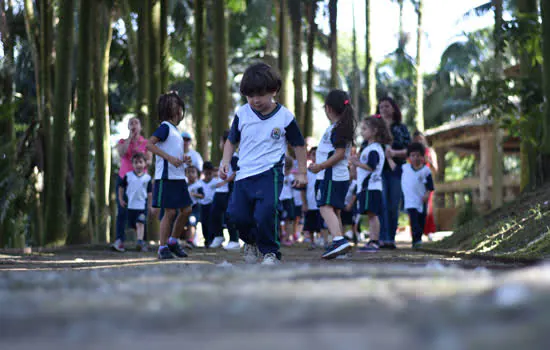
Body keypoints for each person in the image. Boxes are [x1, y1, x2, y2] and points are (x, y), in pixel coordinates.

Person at [221, 62, 307, 265]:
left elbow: (299, 144)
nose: (255, 100)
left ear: (273, 90)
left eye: (259, 95)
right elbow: (231, 140)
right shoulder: (242, 113)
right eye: (250, 96)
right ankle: (250, 241)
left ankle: (271, 252)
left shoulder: (285, 117)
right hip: (244, 173)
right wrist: (225, 161)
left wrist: (302, 172)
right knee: (236, 215)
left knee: (266, 211)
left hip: (270, 172)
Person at [309, 90, 356, 260]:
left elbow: (340, 153)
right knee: (334, 210)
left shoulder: (338, 129)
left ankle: (338, 240)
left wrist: (320, 166)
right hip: (334, 176)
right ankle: (339, 245)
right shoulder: (339, 128)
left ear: (328, 108)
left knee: (324, 206)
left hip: (331, 176)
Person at [146, 92, 192, 260]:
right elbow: (149, 144)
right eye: (175, 105)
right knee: (170, 212)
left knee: (187, 210)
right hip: (166, 177)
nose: (178, 109)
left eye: (179, 105)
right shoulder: (164, 127)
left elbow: (174, 153)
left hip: (179, 177)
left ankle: (173, 241)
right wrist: (170, 158)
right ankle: (162, 247)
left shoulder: (176, 131)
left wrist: (183, 159)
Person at [351, 115, 391, 253]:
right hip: (366, 187)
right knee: (370, 214)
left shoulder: (374, 148)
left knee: (373, 214)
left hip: (371, 187)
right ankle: (372, 241)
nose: (361, 131)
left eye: (364, 128)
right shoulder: (368, 148)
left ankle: (374, 241)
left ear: (374, 131)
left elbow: (371, 167)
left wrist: (357, 163)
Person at [378, 97, 411, 249]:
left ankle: (390, 238)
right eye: (381, 107)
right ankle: (381, 237)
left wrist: (393, 153)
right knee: (381, 204)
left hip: (397, 170)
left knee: (393, 204)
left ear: (393, 108)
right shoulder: (375, 128)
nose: (383, 109)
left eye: (386, 106)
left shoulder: (401, 128)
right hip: (377, 171)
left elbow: (410, 151)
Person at [115, 117, 152, 250]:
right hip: (125, 178)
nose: (134, 125)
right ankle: (119, 240)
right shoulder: (123, 141)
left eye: (136, 123)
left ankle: (141, 241)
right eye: (131, 123)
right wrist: (130, 139)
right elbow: (121, 153)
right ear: (128, 127)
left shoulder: (145, 143)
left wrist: (139, 160)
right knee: (122, 210)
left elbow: (149, 160)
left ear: (141, 127)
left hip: (141, 181)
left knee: (142, 213)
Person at [113, 152, 152, 252]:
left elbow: (150, 193)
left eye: (140, 162)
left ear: (145, 164)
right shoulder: (128, 176)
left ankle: (140, 241)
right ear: (132, 164)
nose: (138, 165)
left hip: (142, 206)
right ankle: (124, 241)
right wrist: (121, 199)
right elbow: (121, 188)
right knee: (132, 225)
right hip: (130, 206)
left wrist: (150, 205)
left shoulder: (147, 178)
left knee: (140, 222)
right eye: (136, 162)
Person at [209, 132, 240, 250]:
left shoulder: (234, 156)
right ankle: (218, 236)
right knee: (214, 214)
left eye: (222, 142)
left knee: (229, 215)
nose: (220, 144)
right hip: (220, 191)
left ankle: (234, 240)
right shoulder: (225, 157)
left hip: (228, 191)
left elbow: (237, 171)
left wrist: (225, 182)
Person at [400, 142, 434, 248]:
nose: (415, 158)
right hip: (410, 201)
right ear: (409, 157)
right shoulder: (404, 168)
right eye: (413, 155)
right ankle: (416, 241)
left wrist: (427, 195)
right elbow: (393, 169)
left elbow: (430, 186)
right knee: (413, 221)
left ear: (423, 157)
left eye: (418, 155)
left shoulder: (426, 170)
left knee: (421, 220)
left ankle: (418, 238)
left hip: (421, 200)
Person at [413, 131, 438, 240]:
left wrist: (429, 162)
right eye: (416, 140)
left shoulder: (430, 151)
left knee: (427, 207)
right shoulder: (412, 153)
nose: (419, 141)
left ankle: (429, 231)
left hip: (427, 182)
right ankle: (416, 232)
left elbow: (435, 169)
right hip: (415, 183)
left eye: (421, 139)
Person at [302, 147, 322, 250]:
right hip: (310, 202)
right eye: (313, 154)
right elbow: (303, 189)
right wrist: (304, 203)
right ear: (310, 156)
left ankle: (323, 240)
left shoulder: (323, 170)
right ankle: (312, 241)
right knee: (310, 224)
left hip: (320, 202)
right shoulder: (306, 172)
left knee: (322, 223)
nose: (316, 156)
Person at [184, 166, 204, 248]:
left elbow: (202, 195)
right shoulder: (184, 185)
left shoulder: (198, 185)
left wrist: (194, 194)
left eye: (193, 172)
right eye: (189, 172)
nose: (191, 174)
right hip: (184, 208)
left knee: (192, 222)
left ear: (197, 174)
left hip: (194, 207)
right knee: (185, 224)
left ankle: (190, 240)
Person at [199, 161, 217, 247]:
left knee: (212, 222)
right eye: (206, 173)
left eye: (210, 172)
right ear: (203, 172)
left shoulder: (215, 182)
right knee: (204, 222)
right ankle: (206, 239)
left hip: (212, 204)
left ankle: (212, 239)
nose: (208, 175)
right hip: (203, 205)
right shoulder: (200, 183)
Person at [279, 156, 296, 246]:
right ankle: (279, 236)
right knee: (277, 219)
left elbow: (294, 184)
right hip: (279, 199)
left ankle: (287, 237)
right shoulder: (278, 174)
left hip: (288, 199)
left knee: (290, 219)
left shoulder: (290, 176)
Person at [341, 165, 358, 244]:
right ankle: (341, 237)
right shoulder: (342, 182)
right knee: (342, 222)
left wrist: (350, 205)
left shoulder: (355, 183)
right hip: (342, 205)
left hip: (352, 206)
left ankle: (355, 236)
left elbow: (355, 195)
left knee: (353, 223)